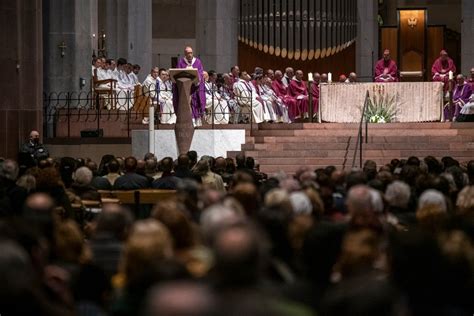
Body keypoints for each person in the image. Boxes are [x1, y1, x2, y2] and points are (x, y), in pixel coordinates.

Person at [175, 46, 206, 126]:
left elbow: (200, 72)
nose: (190, 54)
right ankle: (188, 120)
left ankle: (196, 121)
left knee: (195, 103)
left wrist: (197, 78)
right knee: (187, 103)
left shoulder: (197, 62)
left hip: (195, 87)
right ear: (185, 54)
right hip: (185, 88)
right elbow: (178, 73)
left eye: (191, 53)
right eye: (188, 53)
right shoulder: (181, 62)